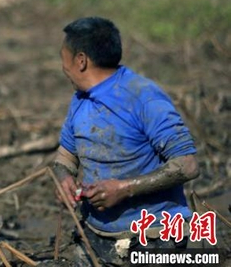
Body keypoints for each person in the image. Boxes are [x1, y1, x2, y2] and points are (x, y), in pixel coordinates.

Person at [52, 17, 199, 266]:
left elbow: (187, 165)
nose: (62, 65)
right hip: (97, 237)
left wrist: (124, 188)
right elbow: (65, 156)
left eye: (63, 56)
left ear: (81, 60)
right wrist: (64, 178)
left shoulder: (143, 97)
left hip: (153, 238)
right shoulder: (80, 100)